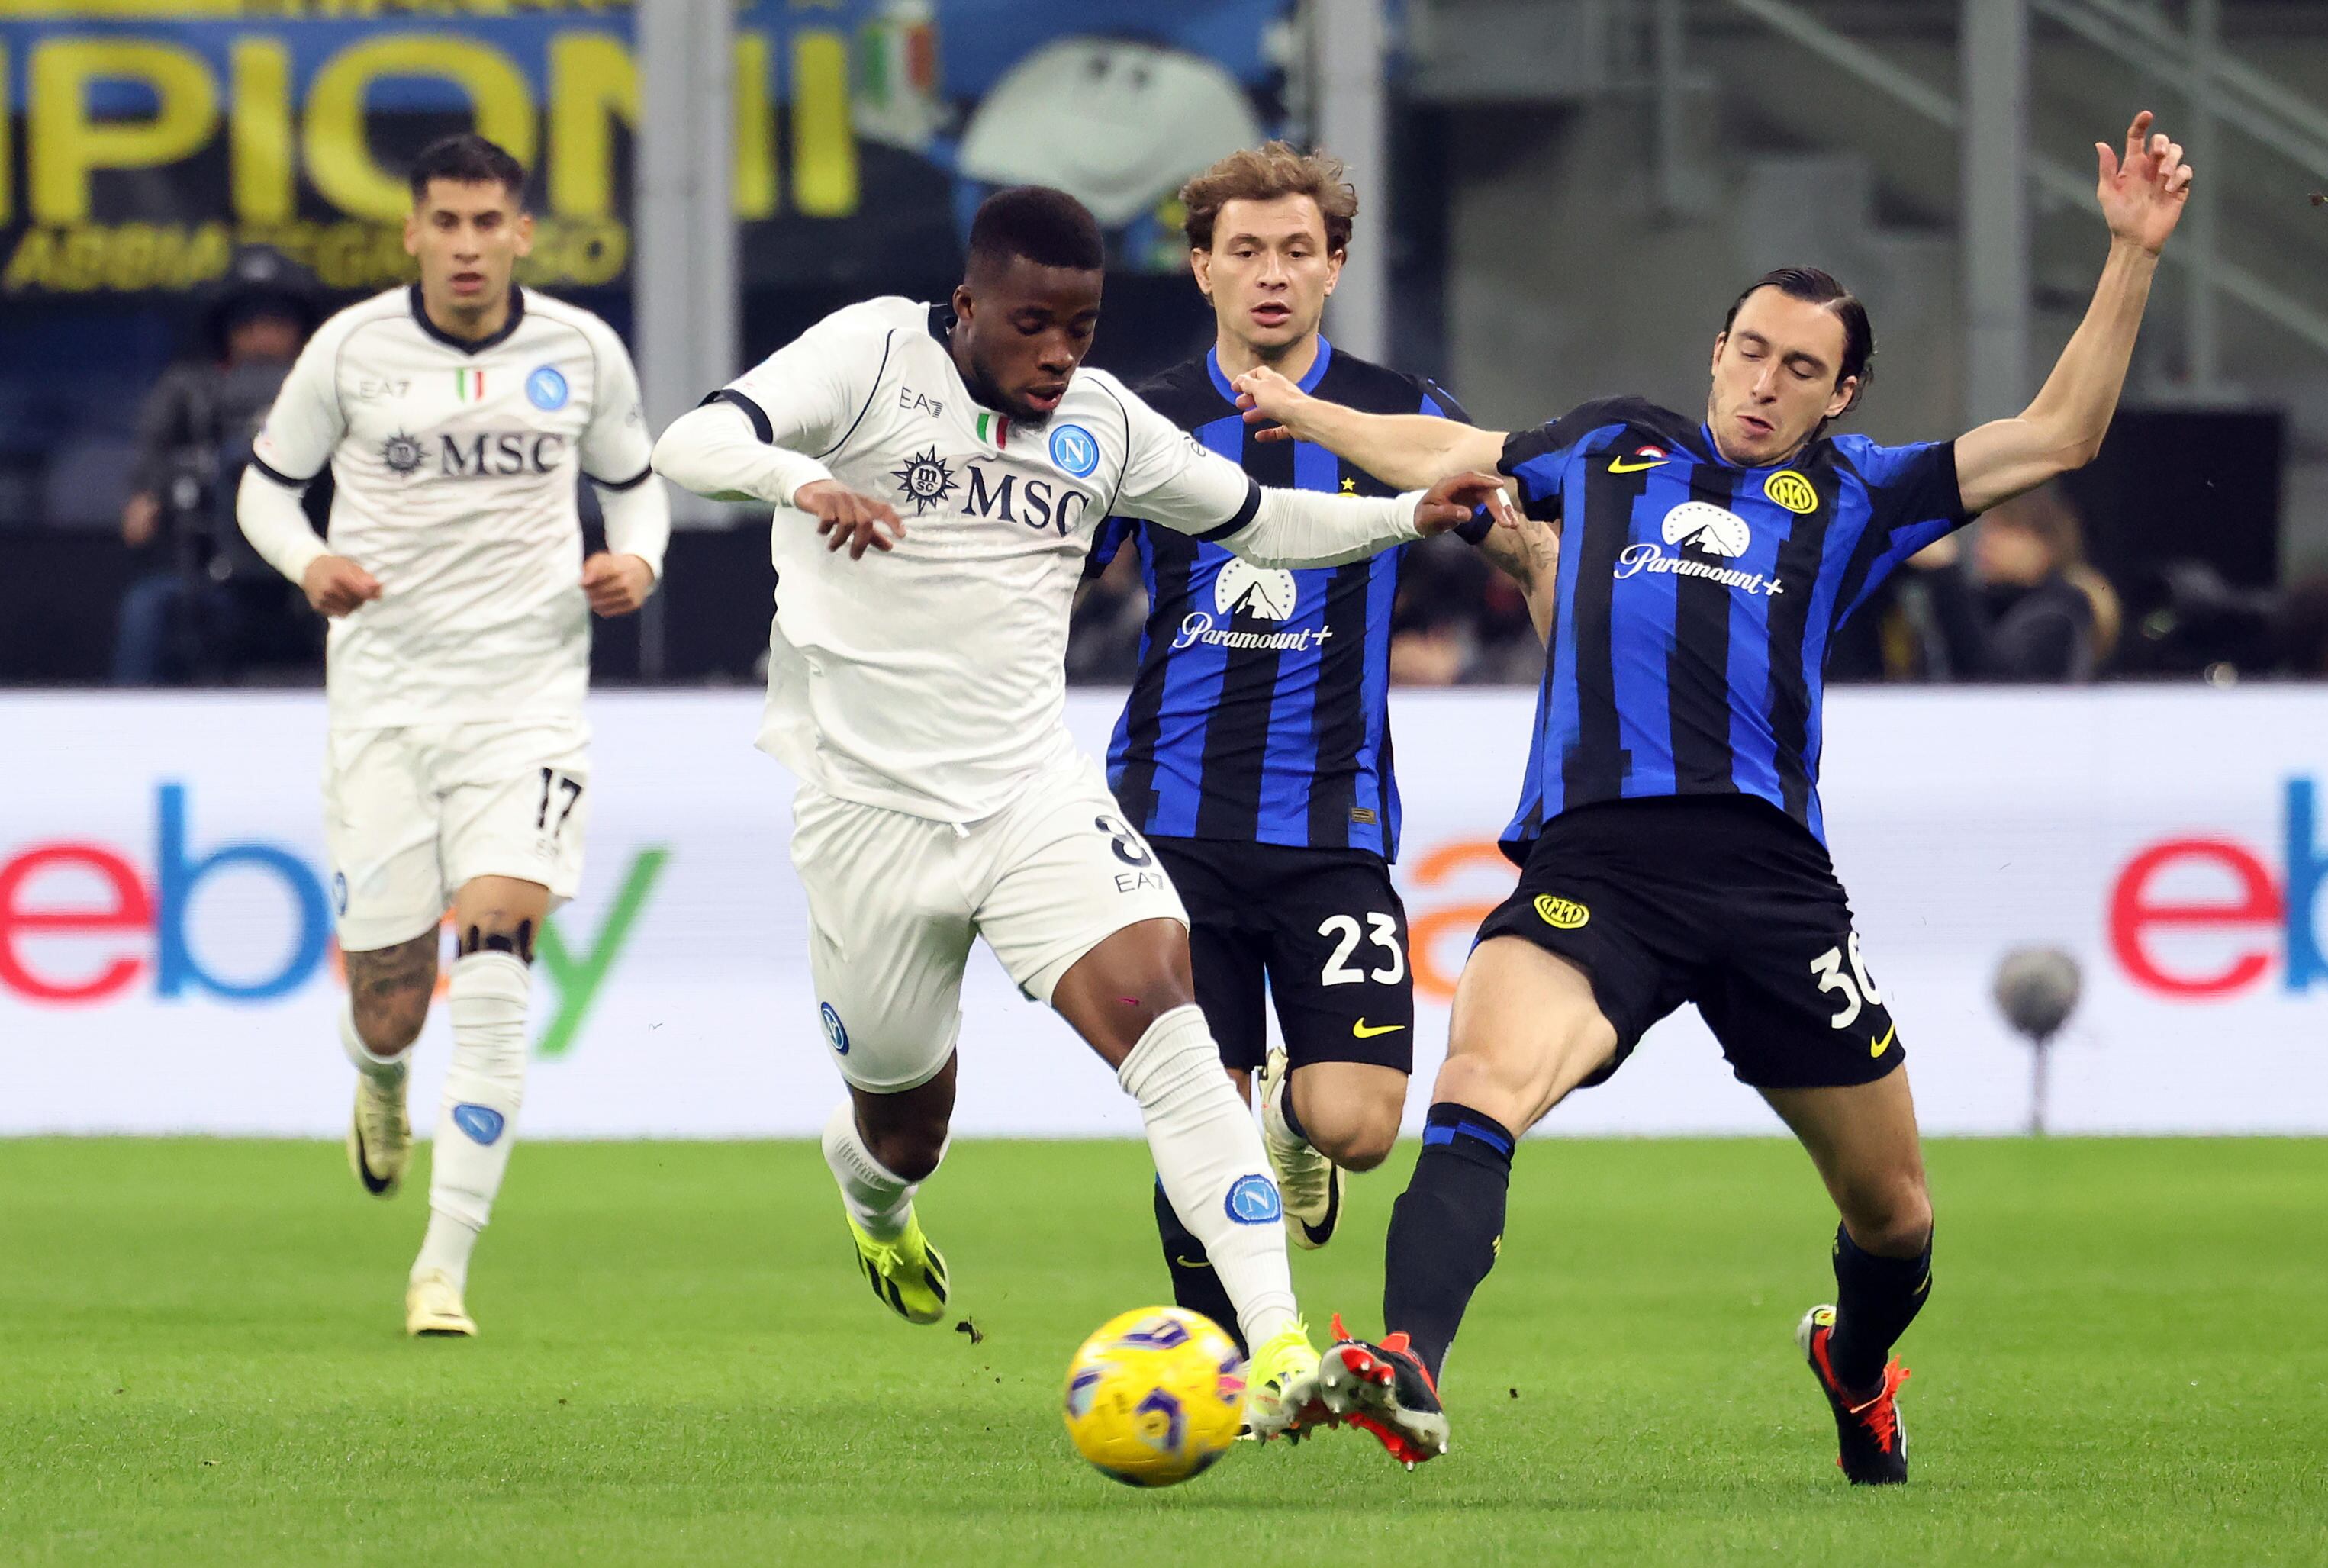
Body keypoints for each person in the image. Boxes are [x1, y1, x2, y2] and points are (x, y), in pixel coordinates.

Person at [1232, 112, 2191, 1481]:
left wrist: (2130, 254)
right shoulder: (1611, 449)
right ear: (1716, 352)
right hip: (1595, 871)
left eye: (1802, 367)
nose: (1764, 380)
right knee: (1480, 1085)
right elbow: (1449, 452)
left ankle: (1853, 1368)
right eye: (1749, 349)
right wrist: (1304, 410)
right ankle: (1408, 1364)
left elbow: (2059, 434)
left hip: (1770, 891)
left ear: (1840, 395)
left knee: (1897, 1217)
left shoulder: (1858, 494)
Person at [649, 184, 1505, 1439]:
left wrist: (1396, 513)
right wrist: (801, 484)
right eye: (1031, 325)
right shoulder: (872, 354)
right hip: (868, 820)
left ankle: (1275, 1354)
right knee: (903, 1120)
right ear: (967, 308)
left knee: (1171, 1026)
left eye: (1082, 326)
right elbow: (694, 444)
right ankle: (874, 1198)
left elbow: (1260, 521)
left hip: (1029, 800)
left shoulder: (1103, 424)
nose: (1057, 354)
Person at [1083, 143, 1554, 1358]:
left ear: (1336, 265)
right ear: (1202, 267)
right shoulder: (1136, 421)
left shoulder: (1407, 417)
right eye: (1245, 250)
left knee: (1360, 1121)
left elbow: (1523, 546)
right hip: (1166, 823)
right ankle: (1212, 1359)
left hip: (1330, 828)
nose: (1273, 273)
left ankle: (1294, 1118)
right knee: (1195, 1111)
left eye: (1300, 250)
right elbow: (1045, 576)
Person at [236, 134, 671, 1338]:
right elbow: (265, 488)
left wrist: (638, 556)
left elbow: (636, 484)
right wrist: (308, 557)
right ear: (413, 233)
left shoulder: (581, 351)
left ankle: (444, 1266)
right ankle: (380, 1084)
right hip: (383, 700)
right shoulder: (352, 348)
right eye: (448, 222)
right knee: (393, 1001)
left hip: (526, 705)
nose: (470, 245)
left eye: (491, 223)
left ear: (522, 232)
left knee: (492, 970)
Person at [114, 248, 320, 684]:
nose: (262, 337)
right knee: (148, 608)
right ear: (226, 330)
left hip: (317, 568)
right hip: (212, 570)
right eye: (249, 325)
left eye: (276, 324)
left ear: (301, 329)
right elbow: (149, 468)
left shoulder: (331, 387)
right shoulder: (188, 390)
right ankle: (126, 733)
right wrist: (150, 493)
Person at [1905, 485, 2118, 681]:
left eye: (2005, 528)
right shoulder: (1987, 604)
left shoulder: (2059, 612)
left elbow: (1994, 682)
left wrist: (1945, 572)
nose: (1988, 540)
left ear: (2046, 544)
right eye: (1988, 528)